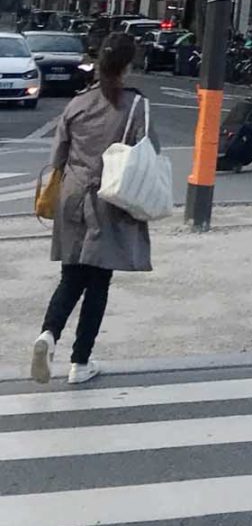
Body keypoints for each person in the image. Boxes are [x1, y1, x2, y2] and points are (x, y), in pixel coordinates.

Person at [31, 34, 158, 386]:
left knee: (71, 276)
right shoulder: (134, 105)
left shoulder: (77, 104)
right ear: (128, 66)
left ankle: (47, 335)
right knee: (99, 280)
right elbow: (145, 151)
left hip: (71, 195)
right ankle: (80, 362)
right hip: (110, 197)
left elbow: (57, 157)